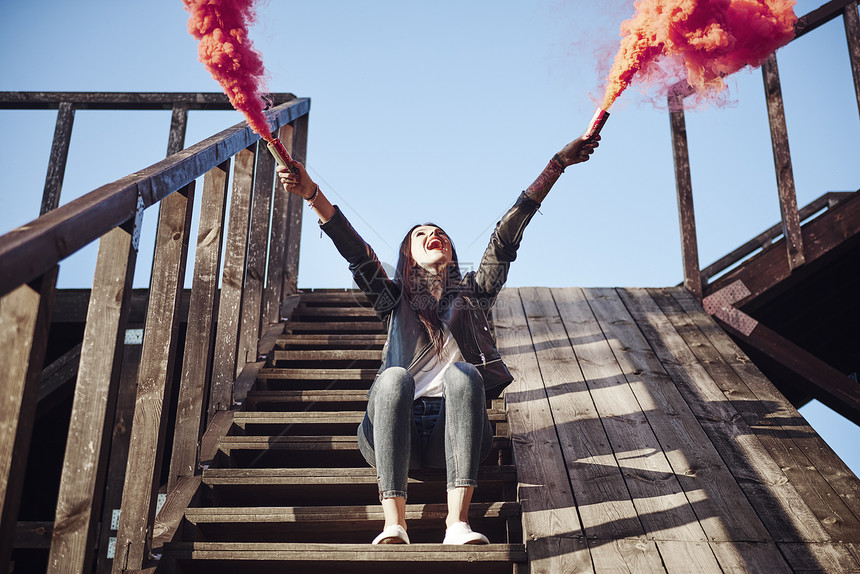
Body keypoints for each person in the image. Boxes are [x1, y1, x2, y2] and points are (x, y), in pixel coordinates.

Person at [276, 134, 599, 545]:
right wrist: (313, 195)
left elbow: (503, 240)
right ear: (407, 256)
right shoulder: (392, 297)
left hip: (458, 429)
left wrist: (556, 165)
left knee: (464, 375)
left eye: (440, 232)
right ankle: (394, 524)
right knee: (394, 379)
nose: (434, 235)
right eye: (421, 234)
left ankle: (457, 524)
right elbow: (357, 252)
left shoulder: (473, 295)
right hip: (397, 432)